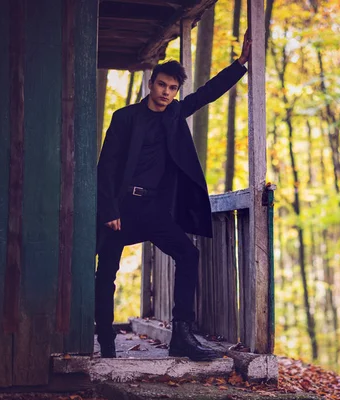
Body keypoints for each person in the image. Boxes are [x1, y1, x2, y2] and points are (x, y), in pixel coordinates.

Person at [95, 32, 252, 360]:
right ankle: (105, 342)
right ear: (151, 84)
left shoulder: (174, 114)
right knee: (106, 272)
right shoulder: (125, 118)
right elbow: (106, 165)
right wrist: (109, 209)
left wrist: (240, 64)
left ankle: (181, 333)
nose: (166, 92)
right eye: (162, 85)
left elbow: (208, 94)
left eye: (172, 88)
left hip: (153, 208)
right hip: (122, 207)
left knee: (188, 254)